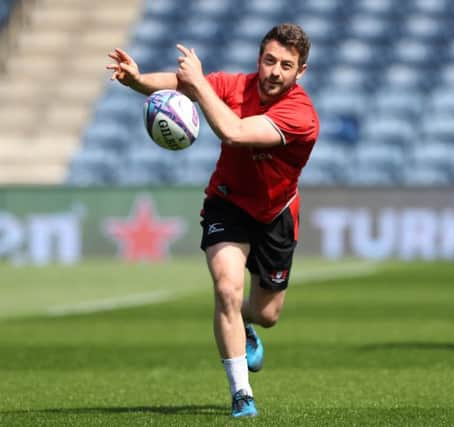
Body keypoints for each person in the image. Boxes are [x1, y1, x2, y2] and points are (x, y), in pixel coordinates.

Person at [107, 23, 319, 418]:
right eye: (269, 60)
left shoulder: (301, 115)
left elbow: (234, 132)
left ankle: (246, 323)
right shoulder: (233, 85)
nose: (274, 71)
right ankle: (242, 393)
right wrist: (137, 81)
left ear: (300, 72)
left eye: (285, 66)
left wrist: (200, 83)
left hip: (276, 213)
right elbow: (177, 84)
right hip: (228, 204)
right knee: (226, 289)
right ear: (259, 59)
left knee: (267, 314)